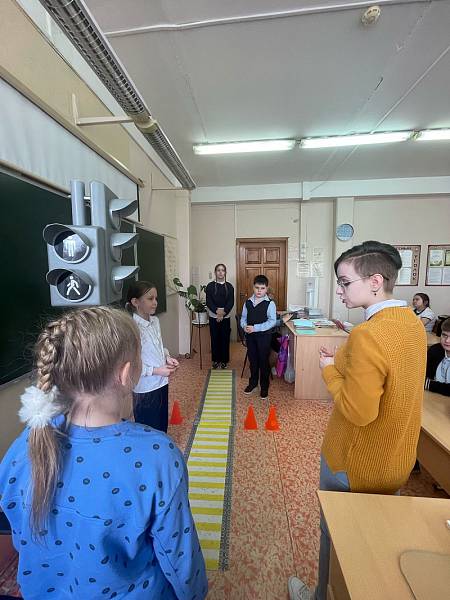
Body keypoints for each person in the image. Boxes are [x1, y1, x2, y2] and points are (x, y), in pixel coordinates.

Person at [0, 306, 207, 600]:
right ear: (126, 373)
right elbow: (179, 556)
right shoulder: (157, 456)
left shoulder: (26, 444)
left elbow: (21, 533)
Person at [288, 241, 426, 600]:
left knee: (335, 538)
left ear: (375, 281)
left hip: (354, 463)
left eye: (345, 282)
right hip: (394, 459)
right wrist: (346, 360)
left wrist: (329, 370)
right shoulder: (411, 324)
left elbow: (359, 410)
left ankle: (320, 596)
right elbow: (390, 377)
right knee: (372, 542)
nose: (340, 289)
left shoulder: (369, 333)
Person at [126, 281, 179, 433]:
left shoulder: (155, 321)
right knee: (149, 428)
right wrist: (156, 371)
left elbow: (158, 346)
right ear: (135, 302)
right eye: (150, 299)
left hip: (161, 382)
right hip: (145, 388)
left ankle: (162, 444)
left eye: (156, 298)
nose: (155, 302)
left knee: (162, 423)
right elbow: (131, 365)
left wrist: (167, 357)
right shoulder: (132, 328)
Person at [240, 274, 277, 400]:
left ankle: (264, 386)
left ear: (266, 288)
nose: (259, 291)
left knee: (263, 361)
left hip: (264, 337)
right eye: (257, 288)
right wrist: (244, 326)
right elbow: (243, 318)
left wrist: (256, 328)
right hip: (251, 337)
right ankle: (253, 383)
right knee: (253, 360)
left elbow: (272, 321)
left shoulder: (270, 304)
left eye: (262, 288)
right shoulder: (248, 302)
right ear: (253, 287)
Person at [205, 263, 234, 369]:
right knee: (215, 338)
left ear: (225, 272)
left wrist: (223, 312)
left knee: (225, 338)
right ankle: (216, 360)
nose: (221, 272)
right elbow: (209, 301)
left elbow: (231, 302)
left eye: (223, 270)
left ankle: (224, 360)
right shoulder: (210, 286)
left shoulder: (229, 286)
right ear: (215, 272)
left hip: (226, 316)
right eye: (218, 270)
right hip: (213, 316)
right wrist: (217, 312)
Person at [425, 316, 450, 396]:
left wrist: (428, 384)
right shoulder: (435, 350)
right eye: (444, 335)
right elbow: (423, 375)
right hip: (433, 398)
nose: (447, 340)